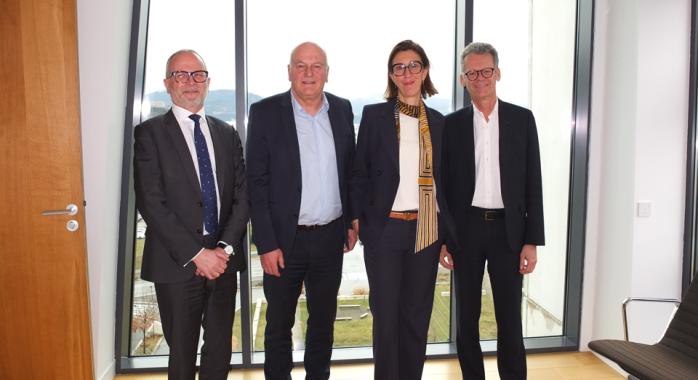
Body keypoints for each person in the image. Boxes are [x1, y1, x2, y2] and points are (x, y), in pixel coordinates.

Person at [133, 50, 249, 380]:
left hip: (223, 264)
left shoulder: (226, 133)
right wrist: (199, 255)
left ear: (208, 82)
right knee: (182, 357)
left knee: (219, 351)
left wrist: (223, 250)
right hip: (177, 264)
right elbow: (151, 204)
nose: (190, 82)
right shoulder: (150, 134)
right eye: (181, 75)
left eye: (198, 74)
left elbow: (243, 197)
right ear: (167, 84)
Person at [246, 41, 357, 380]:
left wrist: (351, 221)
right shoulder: (265, 113)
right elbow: (256, 183)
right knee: (279, 323)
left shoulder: (342, 109)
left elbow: (349, 170)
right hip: (283, 241)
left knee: (323, 321)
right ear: (290, 71)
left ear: (327, 72)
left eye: (316, 66)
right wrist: (265, 243)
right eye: (301, 65)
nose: (309, 73)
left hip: (329, 238)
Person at [440, 42, 545, 380]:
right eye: (472, 73)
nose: (480, 78)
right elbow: (442, 188)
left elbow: (534, 183)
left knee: (509, 321)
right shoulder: (450, 126)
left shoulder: (521, 120)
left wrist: (532, 240)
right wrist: (445, 238)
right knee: (466, 320)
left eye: (486, 71)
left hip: (508, 232)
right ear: (463, 79)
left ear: (497, 73)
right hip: (466, 231)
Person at [350, 40, 450, 380]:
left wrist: (448, 236)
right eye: (399, 67)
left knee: (416, 315)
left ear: (425, 70)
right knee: (386, 316)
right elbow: (359, 173)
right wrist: (359, 223)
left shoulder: (439, 122)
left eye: (413, 65)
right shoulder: (375, 117)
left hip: (426, 229)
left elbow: (445, 184)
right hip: (386, 229)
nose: (406, 73)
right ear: (391, 75)